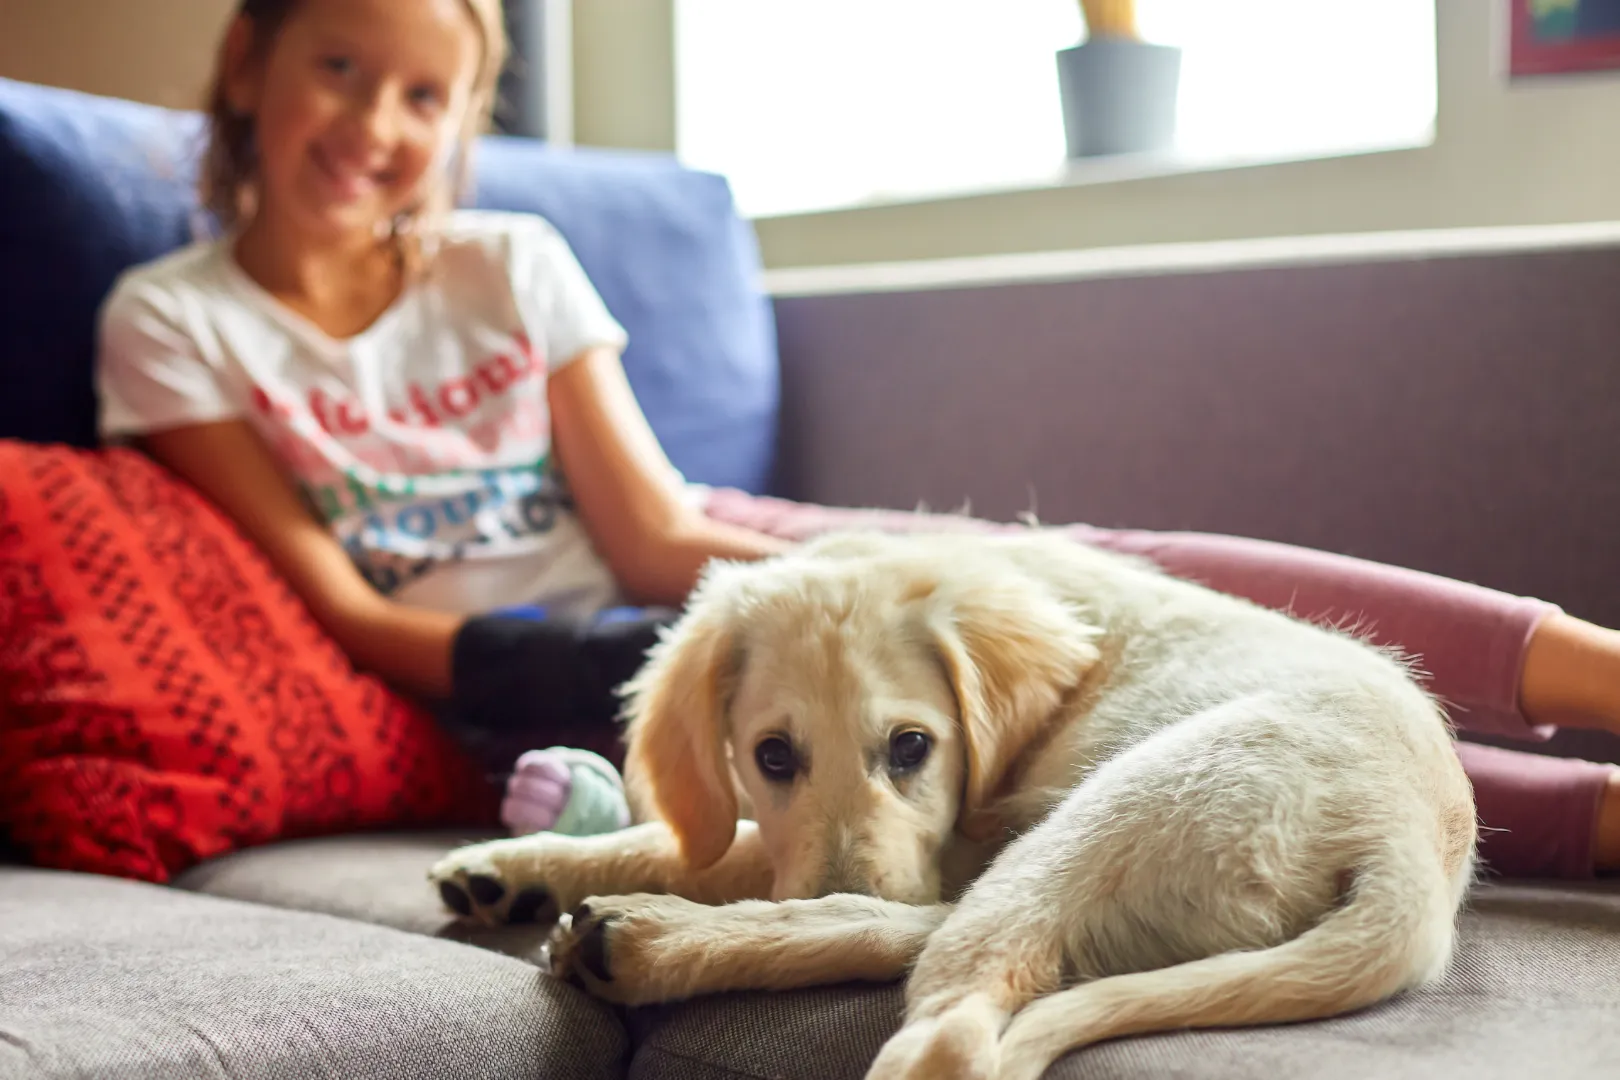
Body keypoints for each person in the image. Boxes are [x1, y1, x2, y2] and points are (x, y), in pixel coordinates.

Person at [95, 0, 1620, 883]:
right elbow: (347, 609)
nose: (379, 123)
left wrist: (859, 591)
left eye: (426, 93)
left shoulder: (511, 262)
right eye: (341, 68)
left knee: (1115, 579)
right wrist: (606, 671)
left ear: (464, 117)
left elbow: (653, 528)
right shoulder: (171, 322)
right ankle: (1593, 821)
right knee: (1116, 747)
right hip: (544, 649)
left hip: (719, 561)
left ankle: (1593, 668)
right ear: (249, 62)